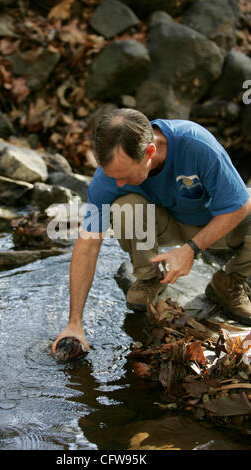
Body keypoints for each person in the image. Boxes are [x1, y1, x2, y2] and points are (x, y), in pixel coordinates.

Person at [52, 108, 251, 354]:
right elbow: (87, 246)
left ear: (150, 152)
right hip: (167, 222)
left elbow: (239, 207)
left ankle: (229, 282)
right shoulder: (107, 179)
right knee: (126, 207)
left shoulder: (196, 144)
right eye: (113, 176)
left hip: (218, 223)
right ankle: (149, 278)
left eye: (124, 176)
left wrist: (190, 250)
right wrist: (74, 322)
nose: (119, 183)